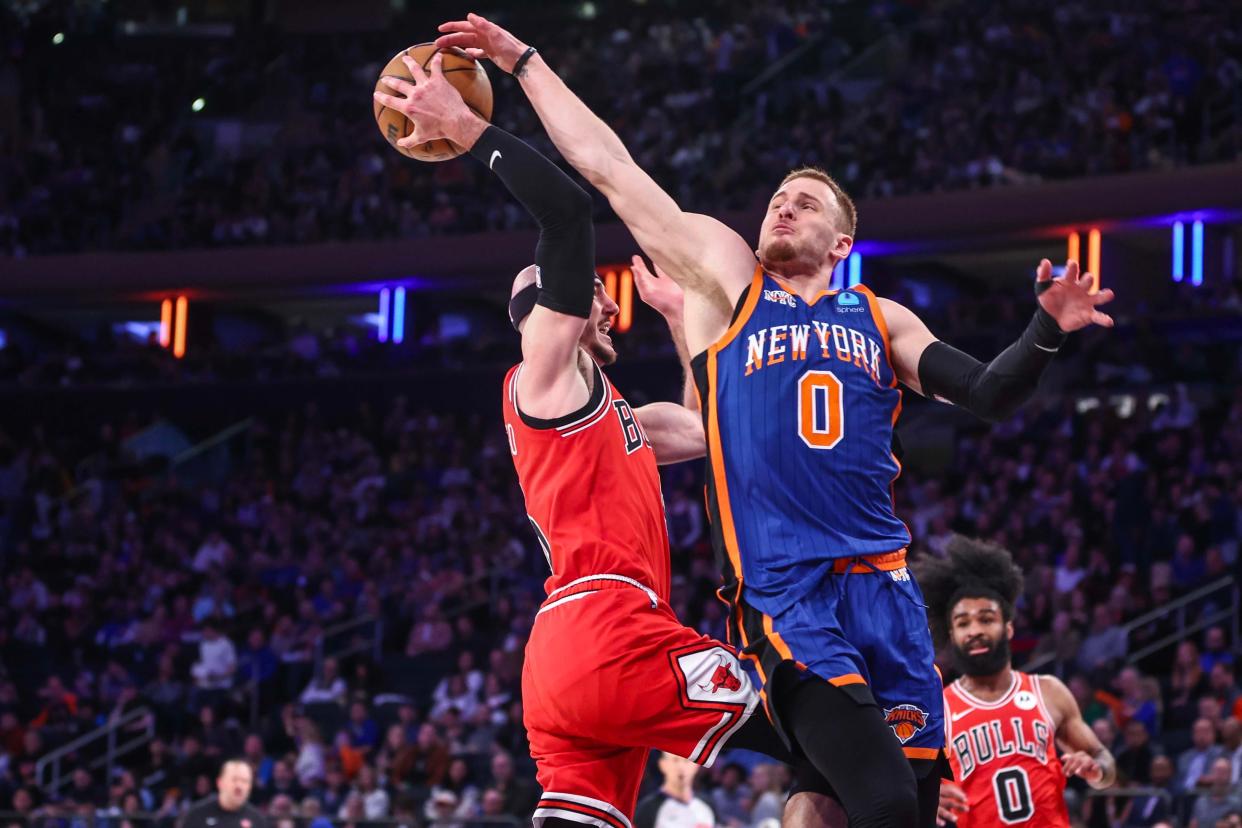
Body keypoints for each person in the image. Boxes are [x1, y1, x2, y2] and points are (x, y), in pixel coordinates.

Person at [433, 13, 1117, 828]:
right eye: (776, 199)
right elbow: (609, 172)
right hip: (787, 590)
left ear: (843, 238)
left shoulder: (881, 317)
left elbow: (992, 393)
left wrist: (1044, 330)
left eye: (805, 202)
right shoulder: (731, 281)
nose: (782, 209)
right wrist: (522, 62)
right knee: (884, 800)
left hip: (885, 591)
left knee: (854, 800)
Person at [371, 51, 843, 828]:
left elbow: (705, 426)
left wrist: (680, 317)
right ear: (546, 309)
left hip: (561, 665)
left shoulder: (609, 412)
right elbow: (565, 215)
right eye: (591, 294)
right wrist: (469, 128)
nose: (604, 304)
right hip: (612, 633)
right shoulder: (546, 371)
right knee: (823, 724)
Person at [913, 536, 1116, 827]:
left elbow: (1103, 761)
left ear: (1008, 628)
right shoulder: (939, 709)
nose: (975, 630)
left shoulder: (1049, 692)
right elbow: (907, 787)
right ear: (952, 635)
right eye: (963, 623)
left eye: (986, 618)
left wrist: (1097, 770)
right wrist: (927, 798)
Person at [635, 753, 717, 828]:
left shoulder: (707, 805)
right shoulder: (647, 808)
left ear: (696, 766)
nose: (681, 767)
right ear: (662, 764)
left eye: (686, 761)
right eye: (675, 760)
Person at [179, 759, 267, 828]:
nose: (239, 786)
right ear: (220, 782)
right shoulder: (197, 814)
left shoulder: (257, 820)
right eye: (234, 779)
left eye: (245, 781)